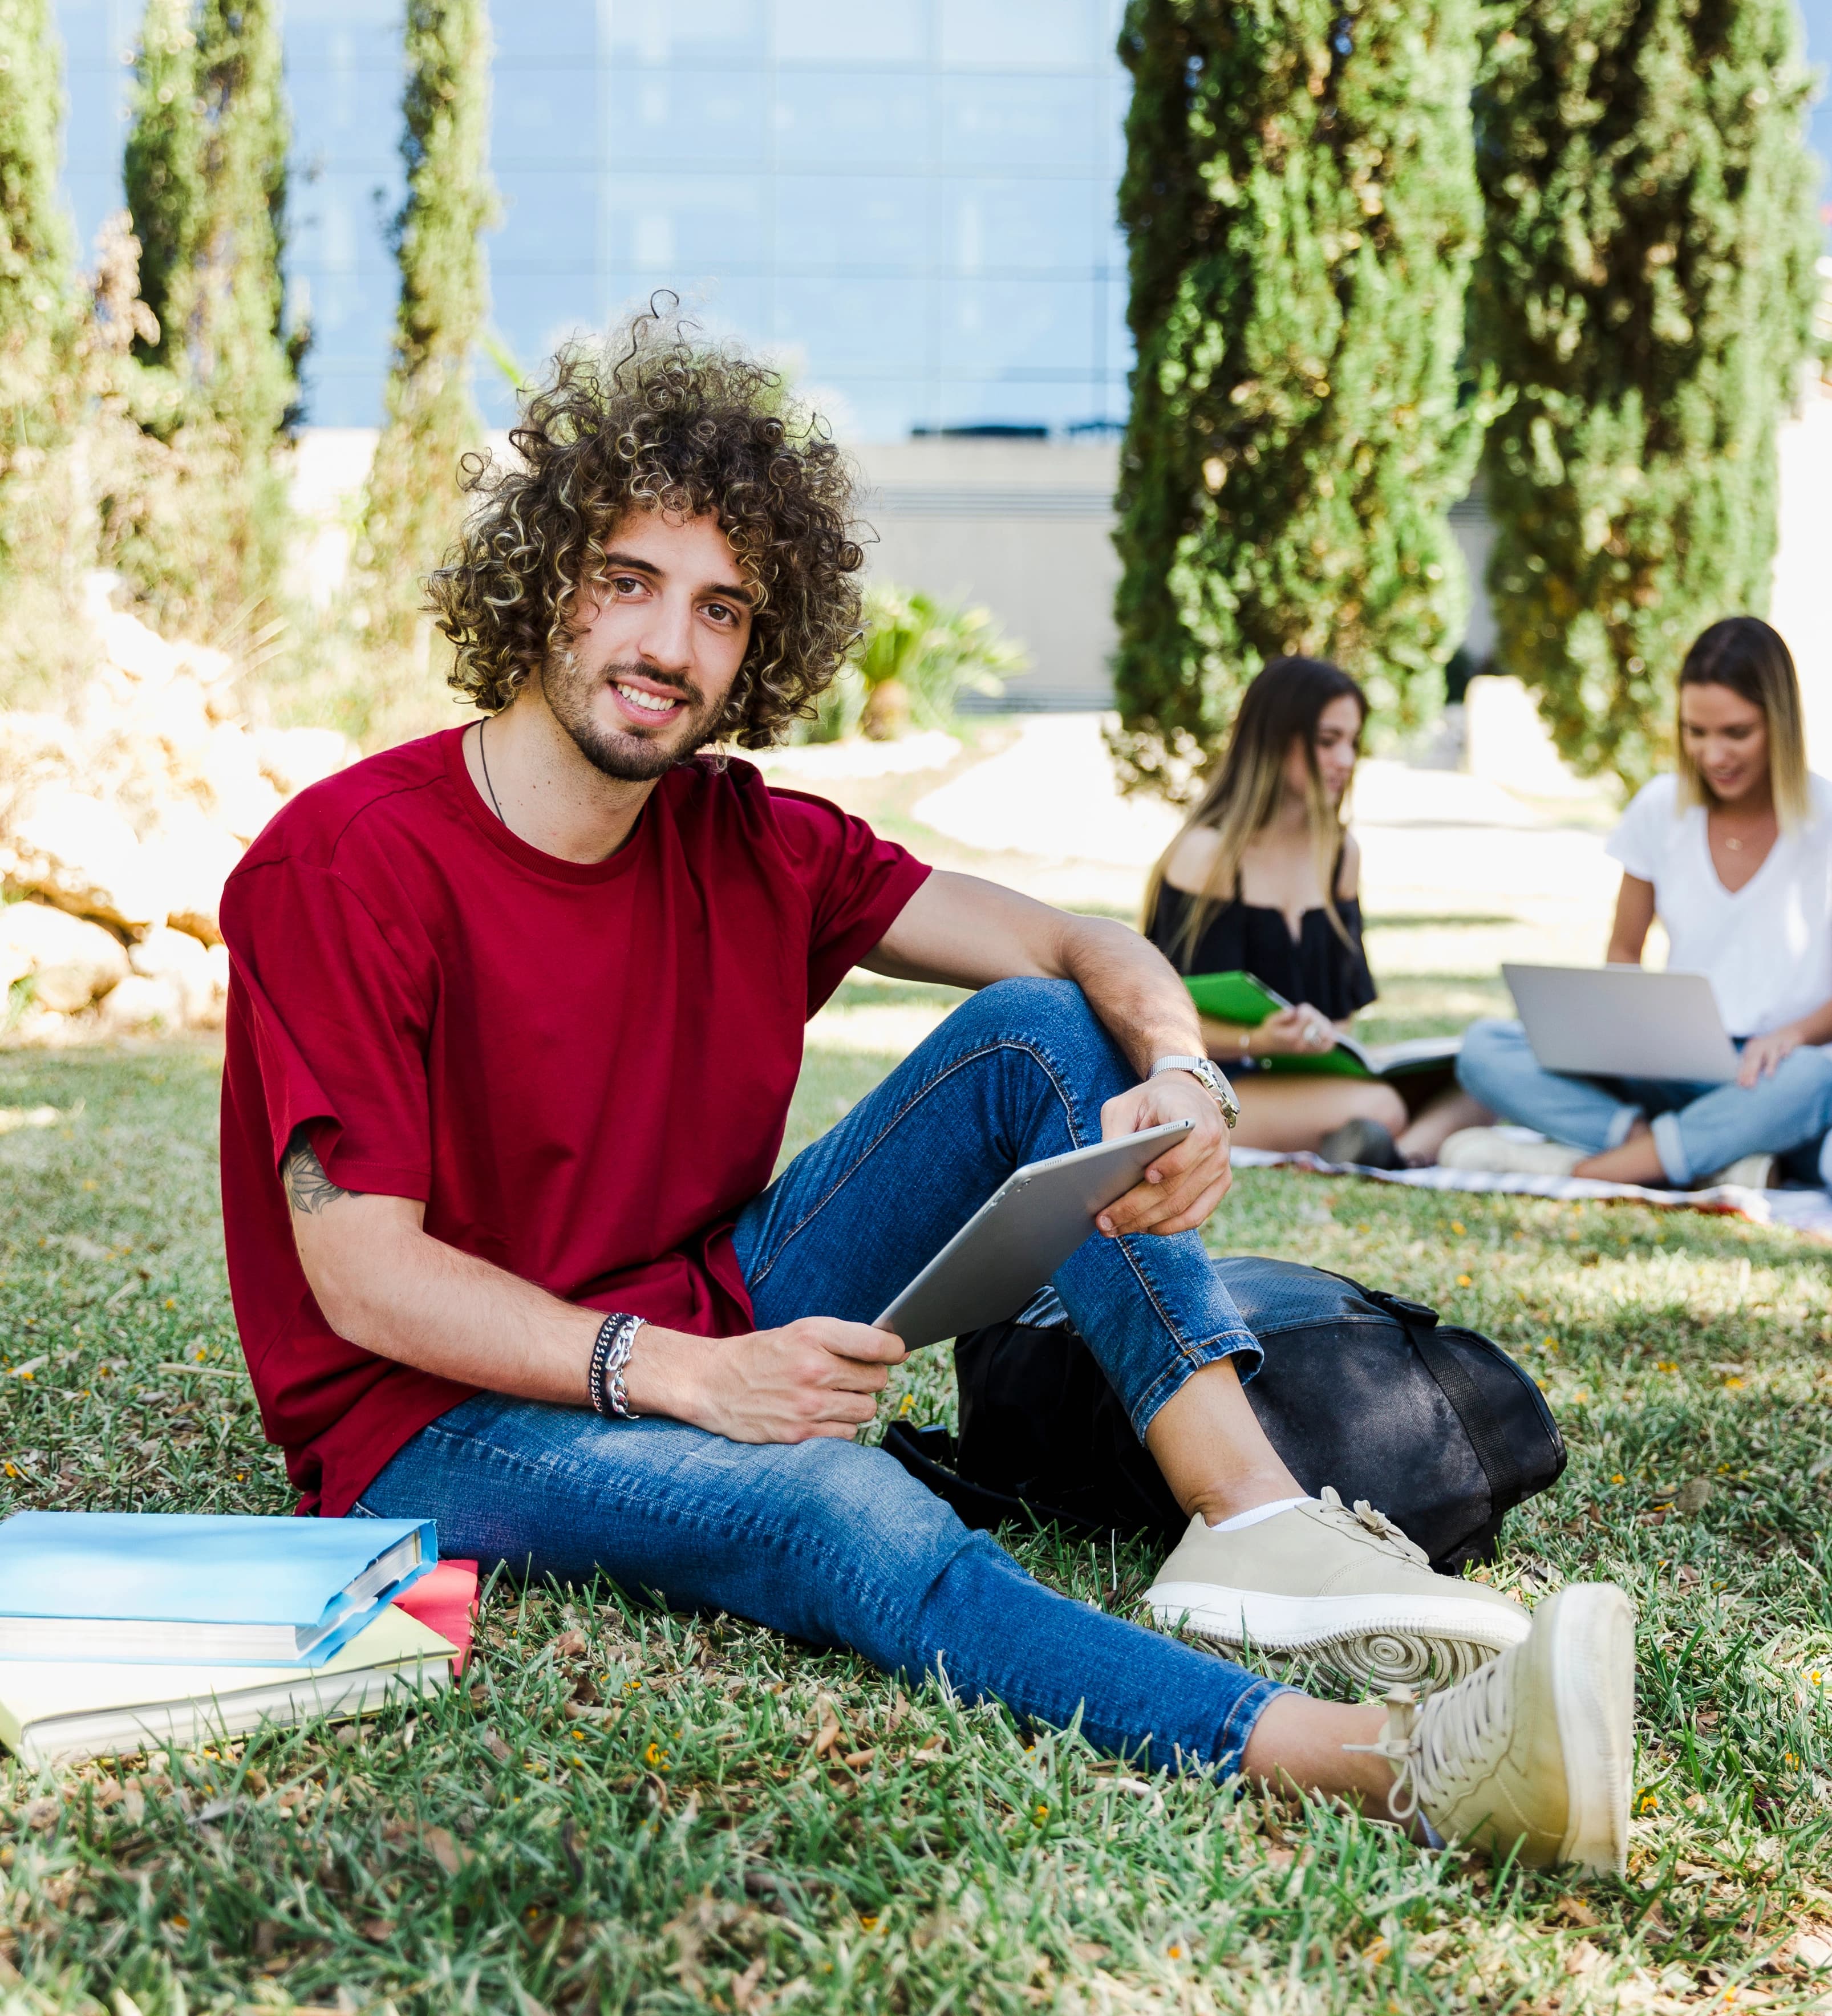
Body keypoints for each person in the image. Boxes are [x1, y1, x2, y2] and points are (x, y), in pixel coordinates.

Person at [217, 311, 1632, 1874]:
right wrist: (693, 1381)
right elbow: (358, 1275)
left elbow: (1076, 944)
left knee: (1041, 1030)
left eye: (721, 609)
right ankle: (1392, 1766)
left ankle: (1248, 1519)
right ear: (542, 580)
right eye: (627, 582)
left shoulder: (745, 839)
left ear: (762, 645)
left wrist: (1176, 1073)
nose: (667, 648)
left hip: (705, 1298)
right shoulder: (347, 862)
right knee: (835, 1504)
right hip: (433, 1417)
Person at [1448, 618, 1832, 1189]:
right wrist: (1616, 1030)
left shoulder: (1823, 818)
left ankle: (1595, 1170)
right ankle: (1686, 1153)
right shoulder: (1660, 808)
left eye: (1735, 732)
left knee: (1812, 1080)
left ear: (1779, 723)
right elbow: (1624, 948)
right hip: (1668, 1063)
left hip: (1772, 1070)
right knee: (1482, 1049)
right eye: (1694, 733)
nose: (1712, 754)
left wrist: (1792, 1035)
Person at [1142, 659, 1489, 1170]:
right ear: (1274, 740)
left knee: (1484, 1077)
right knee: (1382, 1105)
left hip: (1308, 1077)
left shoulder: (1340, 854)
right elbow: (1152, 1017)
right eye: (1328, 741)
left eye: (1353, 741)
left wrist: (1319, 1034)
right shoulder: (1207, 856)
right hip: (1212, 1084)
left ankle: (1396, 1155)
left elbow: (1341, 1013)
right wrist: (1259, 1040)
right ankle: (1394, 1147)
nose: (1345, 758)